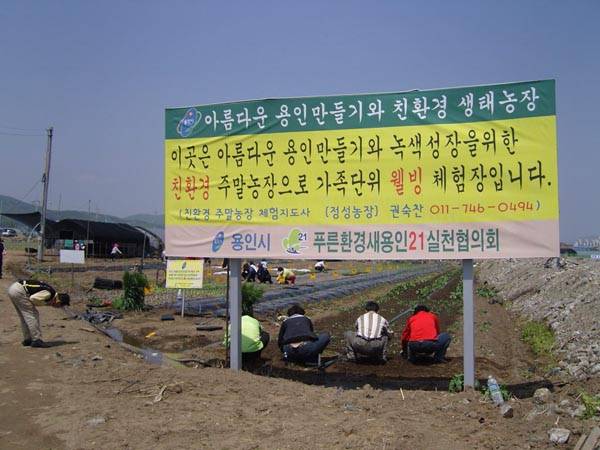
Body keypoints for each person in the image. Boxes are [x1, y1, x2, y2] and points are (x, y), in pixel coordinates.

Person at [7, 279, 70, 348]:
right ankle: (36, 340)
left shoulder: (50, 291)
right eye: (60, 305)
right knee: (32, 315)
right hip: (20, 291)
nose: (58, 307)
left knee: (24, 316)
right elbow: (33, 298)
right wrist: (45, 303)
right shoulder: (49, 293)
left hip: (15, 289)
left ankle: (28, 339)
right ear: (58, 301)